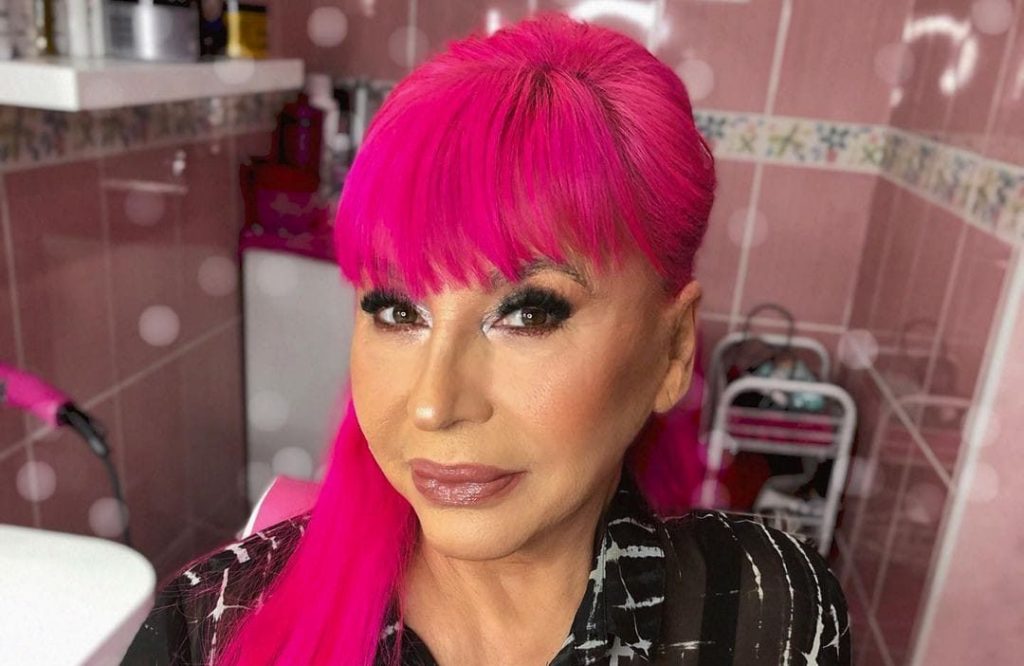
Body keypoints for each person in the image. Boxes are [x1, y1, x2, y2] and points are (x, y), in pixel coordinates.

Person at [123, 11, 850, 666]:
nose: (434, 404)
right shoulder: (208, 629)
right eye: (398, 312)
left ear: (672, 350)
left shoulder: (767, 614)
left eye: (528, 314)